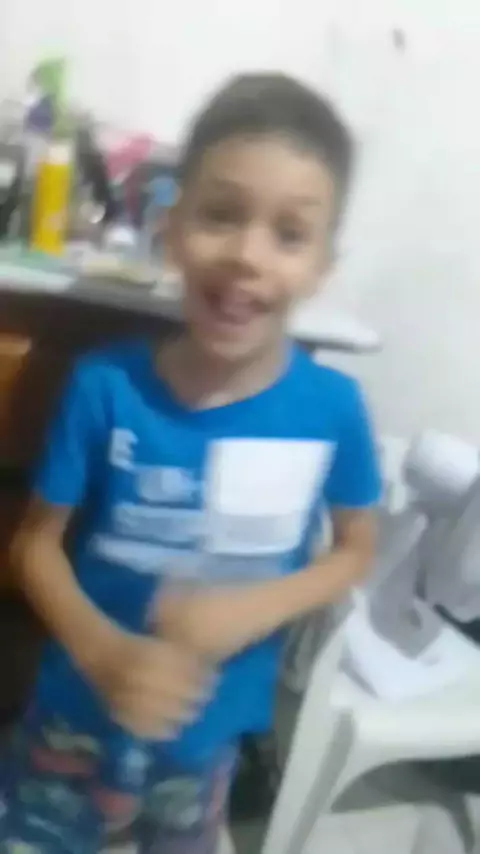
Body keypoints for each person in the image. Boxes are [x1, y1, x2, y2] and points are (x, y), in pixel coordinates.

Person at [3, 73, 381, 853]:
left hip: (206, 743)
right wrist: (102, 652)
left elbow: (356, 548)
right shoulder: (105, 384)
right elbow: (34, 545)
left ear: (322, 265)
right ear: (172, 229)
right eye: (221, 215)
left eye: (288, 234)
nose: (245, 255)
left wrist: (253, 607)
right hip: (74, 717)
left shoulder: (334, 408)